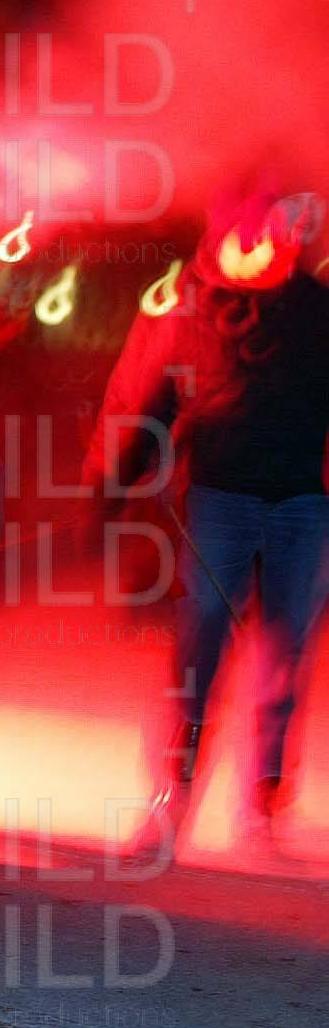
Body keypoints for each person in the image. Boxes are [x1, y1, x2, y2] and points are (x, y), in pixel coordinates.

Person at [92, 189, 329, 827]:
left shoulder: (318, 309)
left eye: (283, 233)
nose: (268, 244)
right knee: (202, 640)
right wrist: (116, 477)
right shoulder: (196, 306)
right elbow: (155, 397)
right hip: (220, 501)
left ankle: (267, 786)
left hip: (304, 506)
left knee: (286, 647)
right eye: (254, 233)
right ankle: (182, 767)